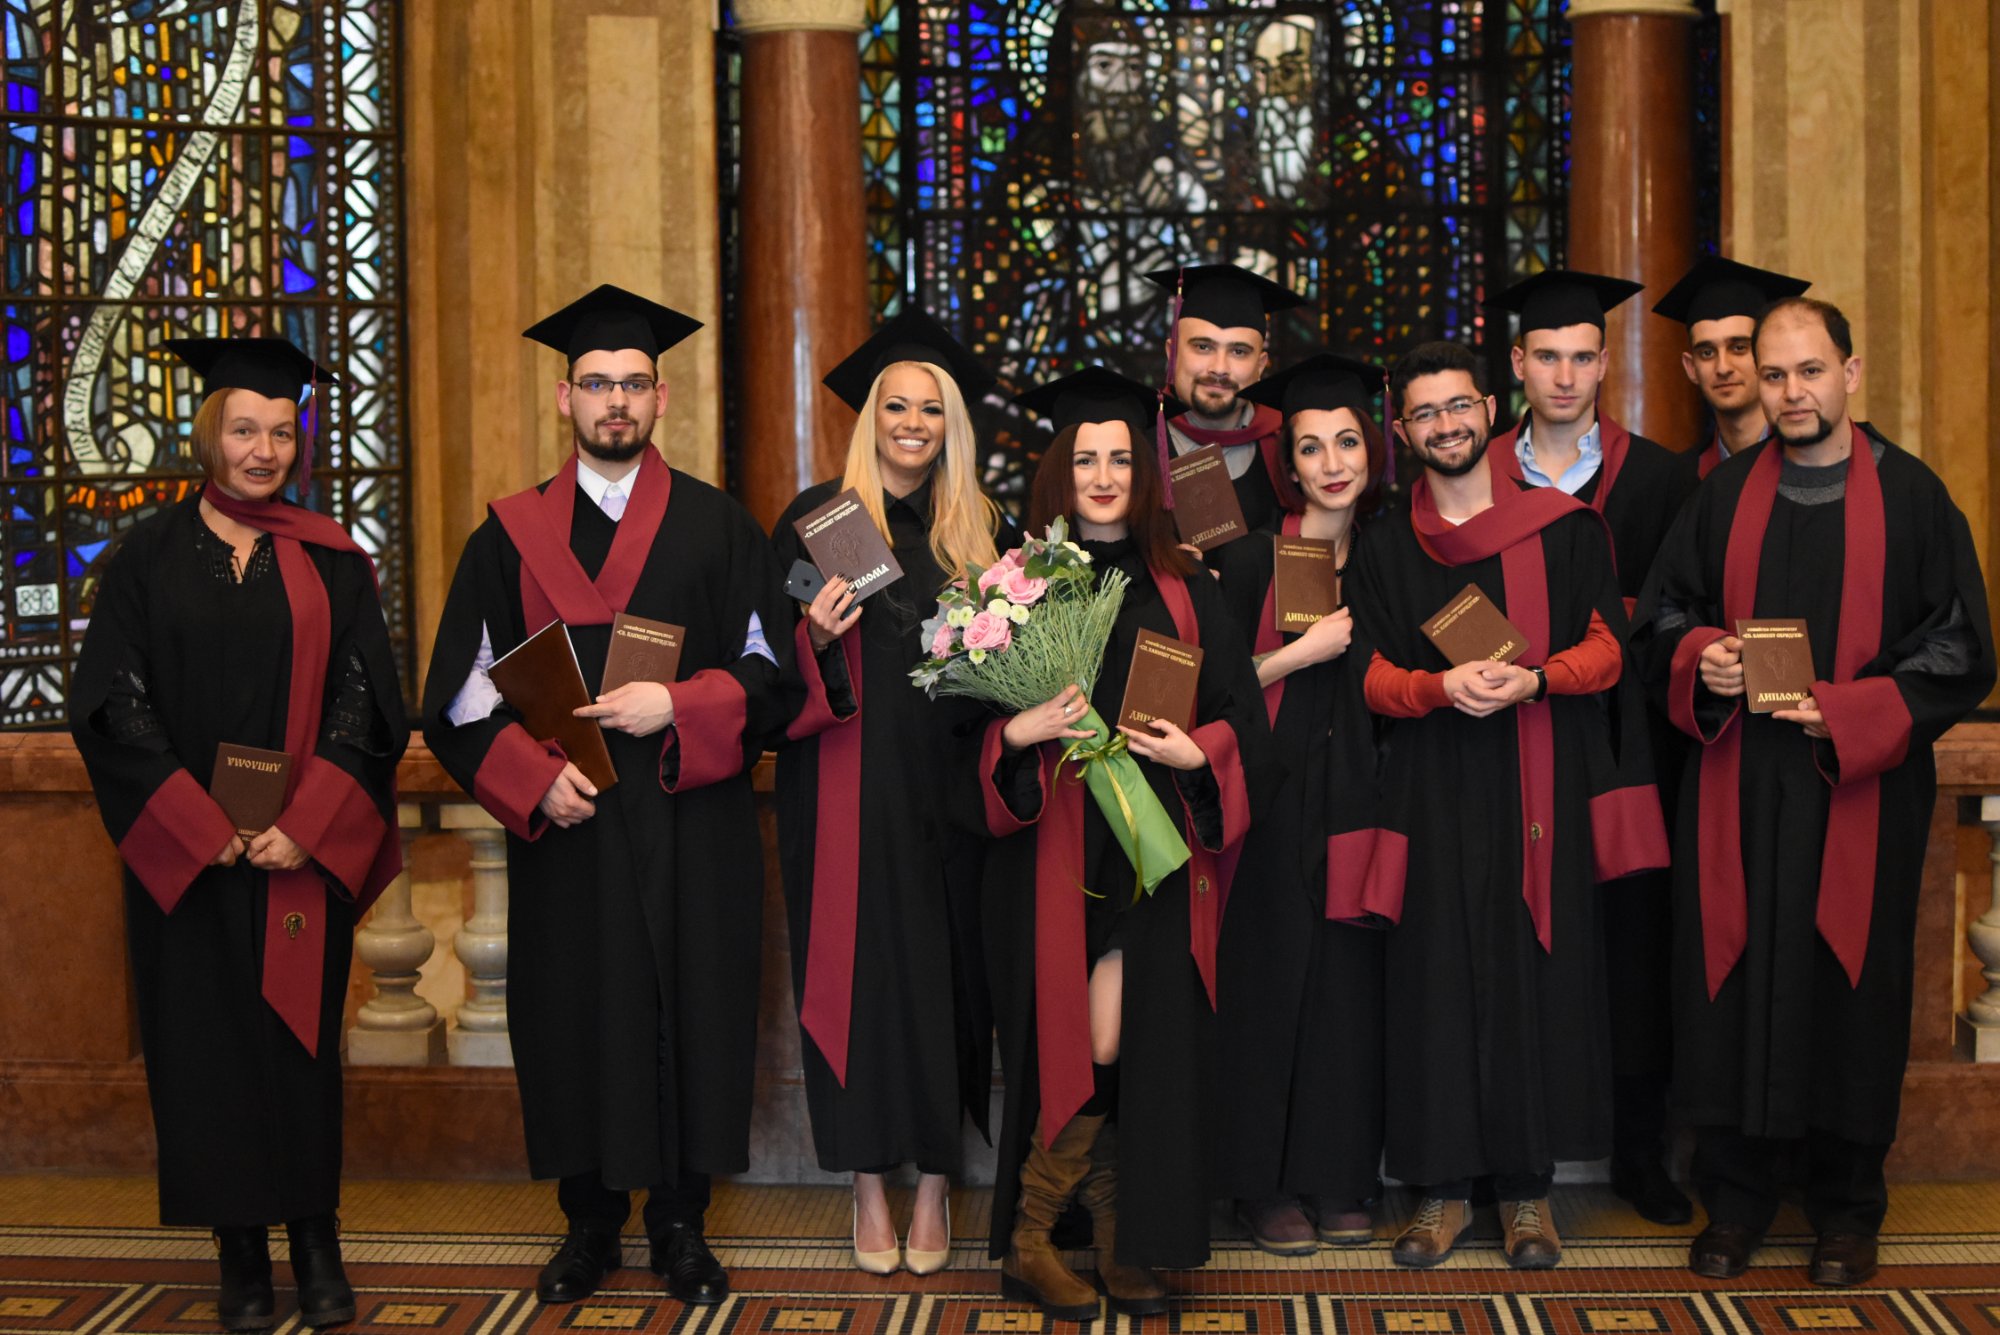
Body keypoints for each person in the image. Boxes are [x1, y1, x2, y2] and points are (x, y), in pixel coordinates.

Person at [420, 286, 799, 1306]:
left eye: (633, 384)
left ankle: (681, 1223)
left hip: (690, 822)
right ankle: (587, 1224)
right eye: (596, 384)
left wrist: (678, 702)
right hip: (571, 828)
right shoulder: (505, 540)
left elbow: (772, 678)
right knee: (573, 1014)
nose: (615, 402)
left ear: (662, 397)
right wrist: (532, 778)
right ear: (565, 398)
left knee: (693, 1008)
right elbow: (457, 697)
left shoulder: (719, 528)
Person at [1632, 297, 1993, 1286]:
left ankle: (1846, 1209)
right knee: (1732, 977)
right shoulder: (1722, 496)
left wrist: (1850, 711)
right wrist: (1702, 659)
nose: (1791, 391)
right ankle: (1735, 1202)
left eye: (1809, 370)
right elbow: (1663, 616)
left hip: (1857, 791)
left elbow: (1959, 646)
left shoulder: (1913, 498)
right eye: (1775, 373)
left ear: (1849, 373)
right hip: (1740, 785)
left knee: (1851, 986)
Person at [70, 337, 407, 1331]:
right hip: (194, 859)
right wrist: (196, 824)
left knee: (298, 1044)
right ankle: (240, 1252)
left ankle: (315, 1237)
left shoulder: (332, 560)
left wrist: (307, 825)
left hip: (296, 854)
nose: (263, 450)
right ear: (209, 433)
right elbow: (113, 702)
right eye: (244, 429)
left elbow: (365, 703)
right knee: (204, 1048)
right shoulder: (146, 558)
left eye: (281, 432)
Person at [1350, 340, 1667, 1270]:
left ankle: (1528, 1193)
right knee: (1434, 982)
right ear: (1403, 431)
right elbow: (1366, 673)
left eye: (1458, 406)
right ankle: (1442, 1190)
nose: (1444, 425)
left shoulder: (1563, 529)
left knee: (1535, 978)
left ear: (1490, 410)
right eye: (1424, 413)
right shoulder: (1384, 546)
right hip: (1430, 788)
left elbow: (1608, 650)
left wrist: (1535, 679)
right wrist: (1436, 688)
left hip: (1539, 782)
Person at [966, 367, 1270, 1320]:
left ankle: (1104, 1234)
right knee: (1092, 1037)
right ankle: (1060, 1235)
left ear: (1146, 475)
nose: (1103, 477)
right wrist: (1016, 735)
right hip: (1057, 852)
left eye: (1121, 460)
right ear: (1058, 474)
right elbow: (960, 736)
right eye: (1085, 460)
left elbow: (1242, 715)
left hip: (1154, 848)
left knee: (1134, 1042)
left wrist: (1197, 750)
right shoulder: (1016, 590)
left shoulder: (1188, 588)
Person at [772, 309, 1018, 1275]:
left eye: (931, 409)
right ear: (870, 417)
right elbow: (763, 665)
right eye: (896, 406)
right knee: (861, 983)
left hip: (953, 799)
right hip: (847, 790)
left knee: (951, 985)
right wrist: (815, 639)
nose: (913, 424)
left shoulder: (984, 532)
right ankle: (869, 1182)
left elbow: (1013, 676)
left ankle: (933, 1183)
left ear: (951, 424)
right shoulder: (816, 521)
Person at [1484, 268, 1699, 1225]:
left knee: (1631, 941)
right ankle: (1502, 1147)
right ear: (1518, 363)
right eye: (1547, 357)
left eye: (1582, 358)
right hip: (1506, 736)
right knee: (1509, 937)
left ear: (1606, 364)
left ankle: (1637, 1150)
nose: (1565, 377)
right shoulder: (1482, 471)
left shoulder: (1659, 476)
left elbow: (1680, 605)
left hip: (1624, 739)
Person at [1210, 354, 1396, 1254]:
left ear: (1372, 450)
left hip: (1365, 797)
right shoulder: (1251, 558)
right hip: (1271, 803)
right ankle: (1263, 1183)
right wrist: (1298, 652)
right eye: (1312, 447)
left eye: (1347, 443)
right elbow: (1207, 690)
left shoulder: (1393, 557)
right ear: (1288, 463)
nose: (1332, 463)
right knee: (1270, 983)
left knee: (1349, 992)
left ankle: (1339, 1172)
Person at [1143, 263, 1309, 535]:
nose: (1219, 368)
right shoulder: (1133, 445)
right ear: (1172, 354)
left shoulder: (1291, 447)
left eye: (1239, 352)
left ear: (1261, 365)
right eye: (1203, 347)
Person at [1651, 256, 1812, 478]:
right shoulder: (1681, 482)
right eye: (1707, 353)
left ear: (1768, 357)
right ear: (1691, 368)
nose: (1723, 367)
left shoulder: (1812, 463)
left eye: (1738, 348)